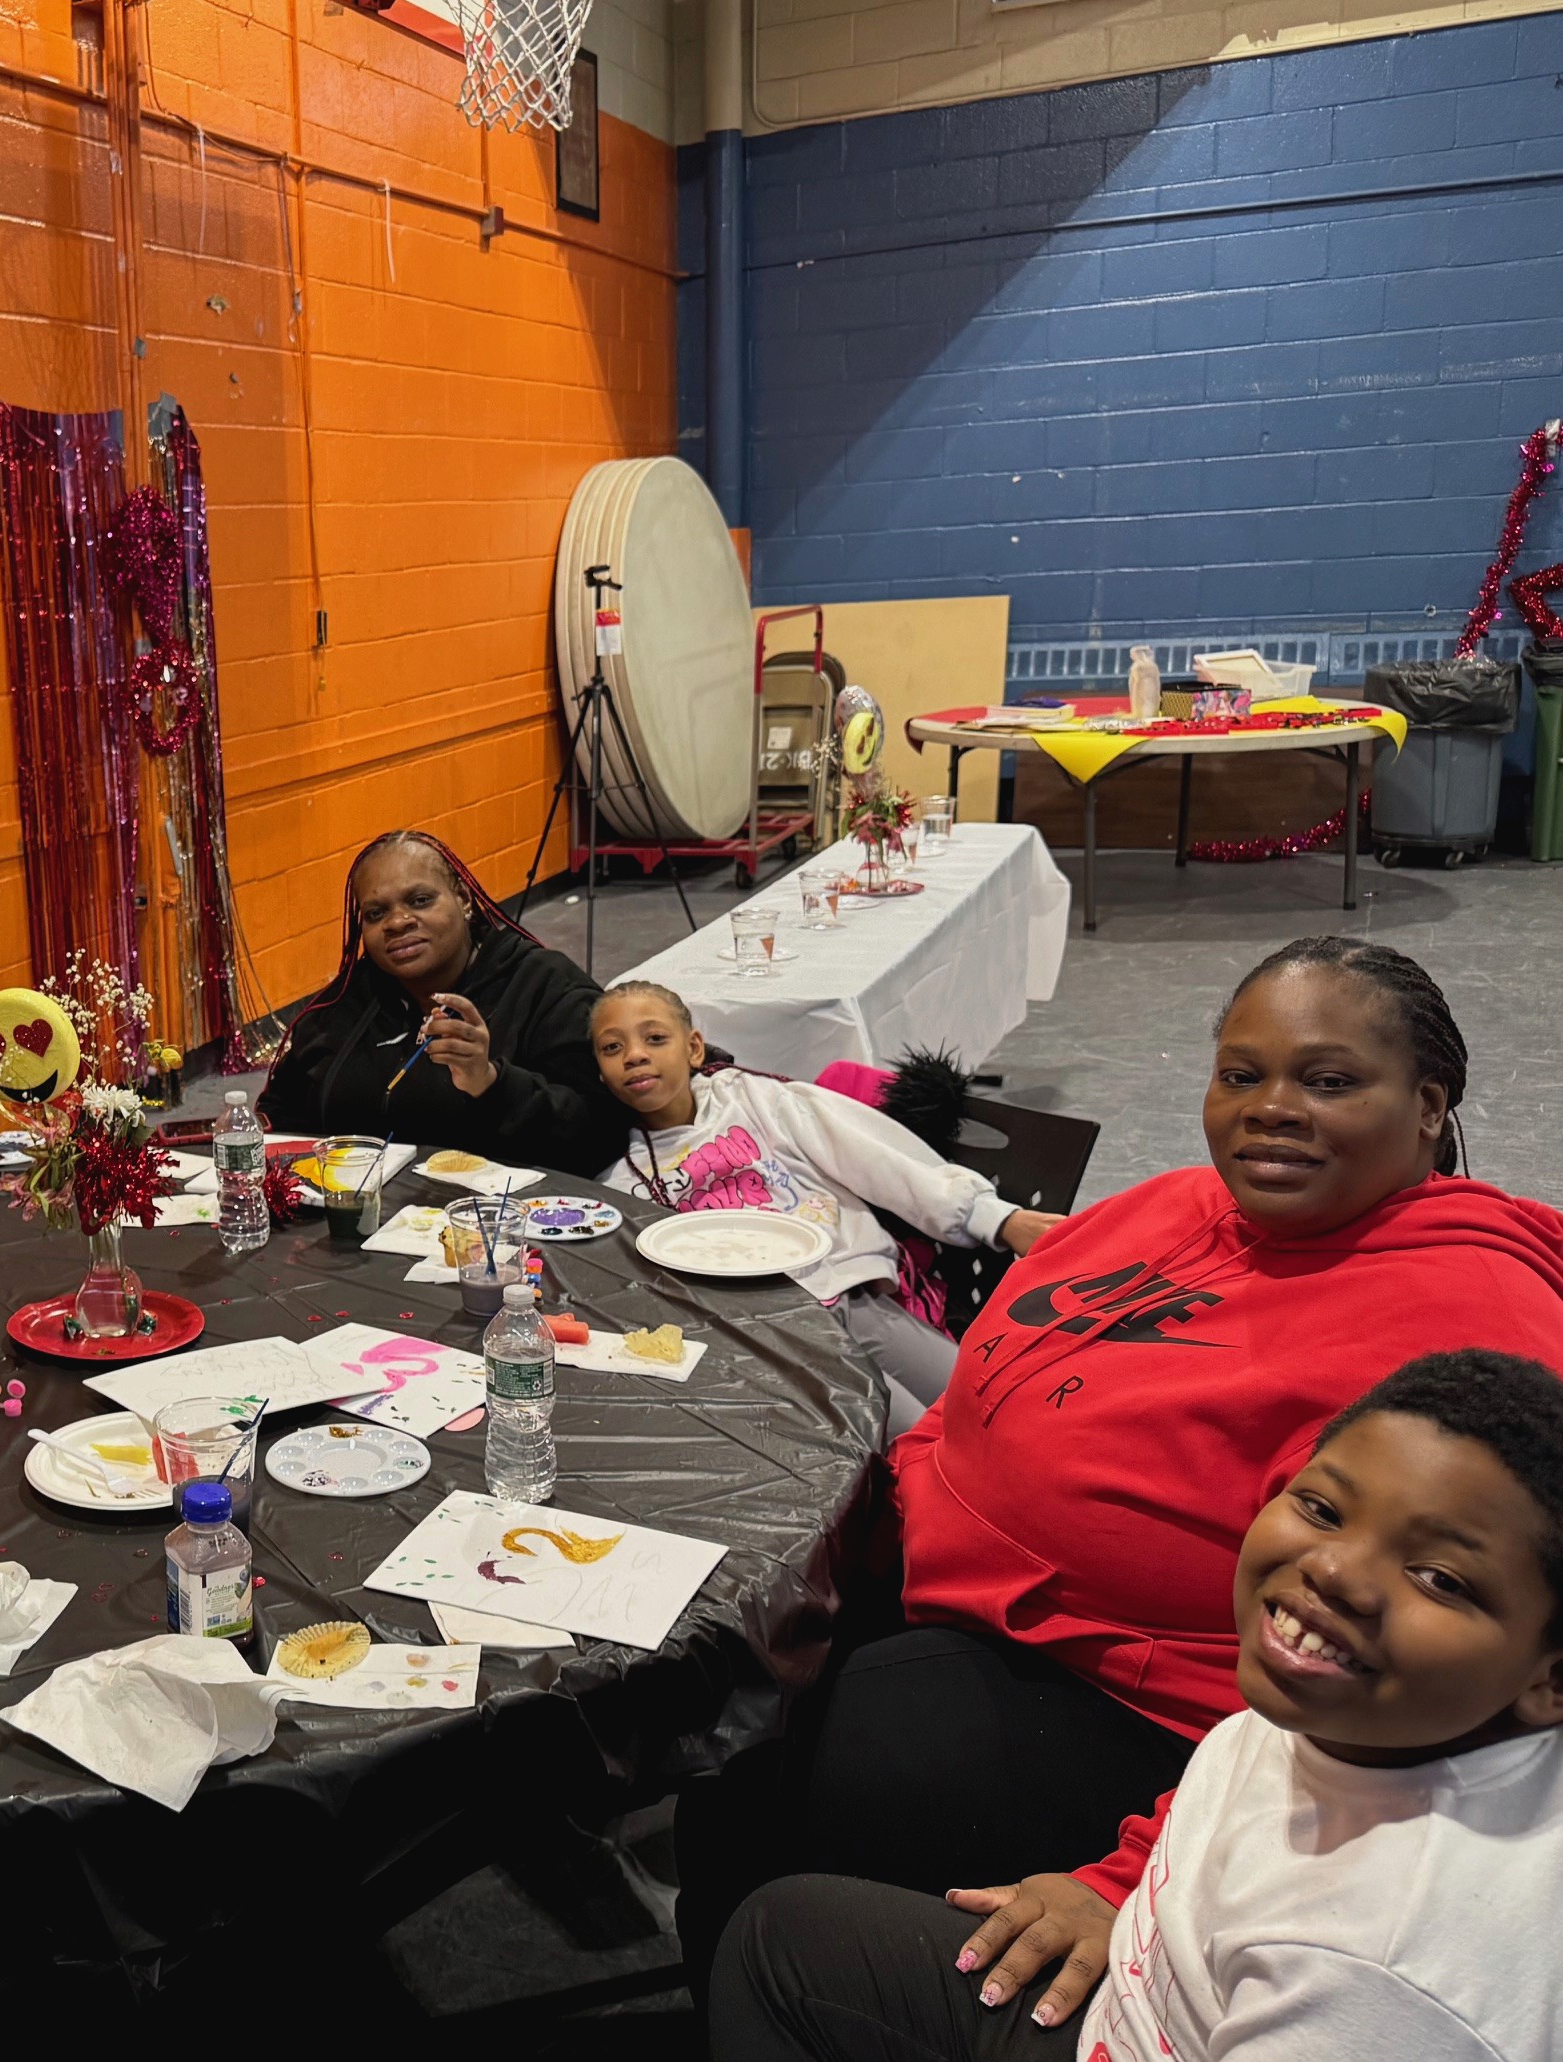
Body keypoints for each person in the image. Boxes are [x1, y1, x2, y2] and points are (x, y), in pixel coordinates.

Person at [675, 936, 1563, 1989]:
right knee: (712, 1692)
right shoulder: (1178, 1206)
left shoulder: (1462, 1334)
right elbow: (977, 1398)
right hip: (933, 1582)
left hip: (1141, 1713)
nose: (1271, 1107)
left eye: (1328, 1081)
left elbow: (1450, 1704)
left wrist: (1143, 1872)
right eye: (1242, 1074)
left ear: (1427, 1105)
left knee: (767, 1801)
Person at [711, 1348, 1563, 2058]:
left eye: (1440, 1579)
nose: (1334, 1571)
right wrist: (1126, 1886)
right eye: (1321, 1506)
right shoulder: (1361, 1715)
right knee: (780, 1937)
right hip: (1146, 1997)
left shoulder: (1379, 1981)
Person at [589, 982, 1058, 1431]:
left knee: (997, 1401)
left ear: (693, 1047)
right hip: (779, 1340)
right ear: (599, 1071)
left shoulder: (758, 1098)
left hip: (854, 1297)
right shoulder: (619, 1178)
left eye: (655, 1038)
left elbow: (876, 1157)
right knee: (917, 1439)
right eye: (612, 1048)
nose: (635, 1055)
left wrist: (996, 1218)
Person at [259, 831, 626, 1176]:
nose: (398, 922)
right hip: (359, 1219)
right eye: (376, 914)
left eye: (420, 901)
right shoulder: (348, 1001)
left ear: (464, 900)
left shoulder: (545, 985)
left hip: (503, 1222)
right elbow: (282, 1118)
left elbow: (600, 1136)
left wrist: (493, 1084)